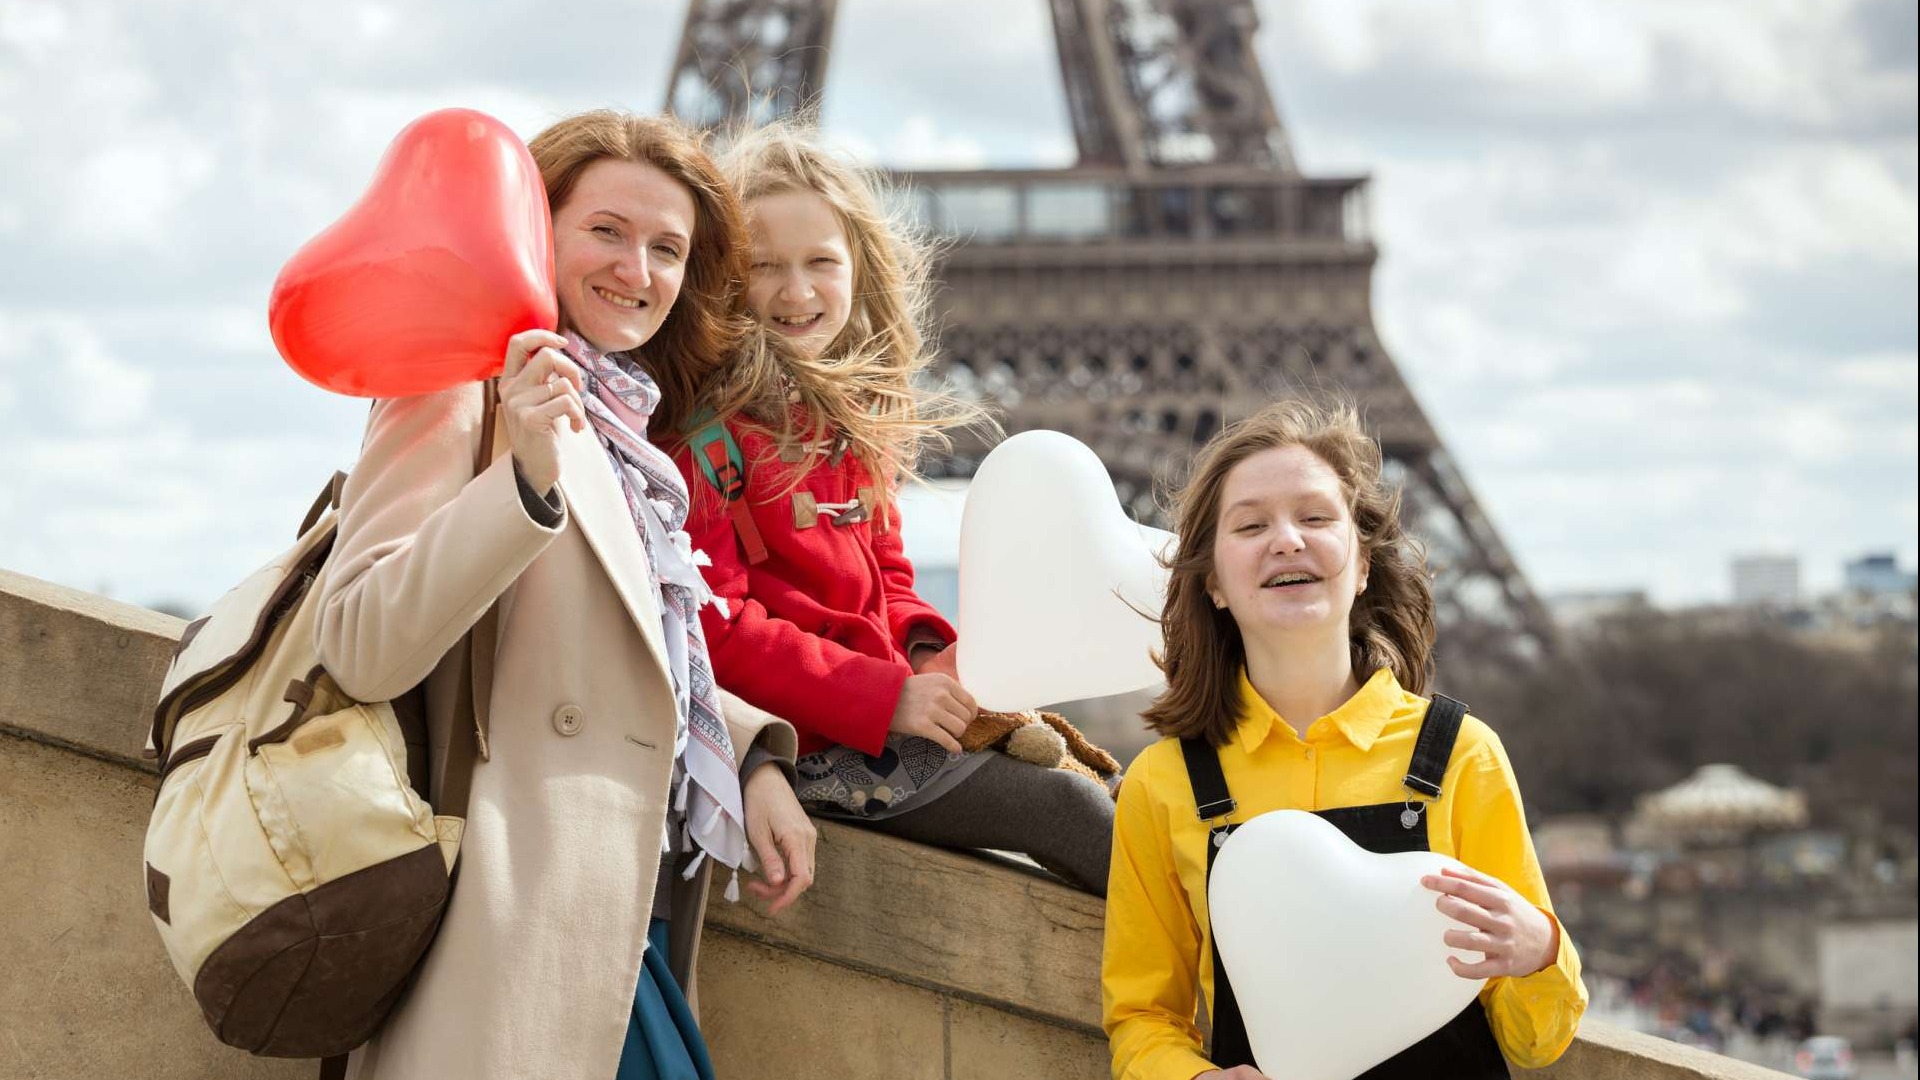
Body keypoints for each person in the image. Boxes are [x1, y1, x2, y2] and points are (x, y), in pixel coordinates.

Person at [315, 110, 817, 1080]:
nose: (638, 271)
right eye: (606, 232)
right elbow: (363, 640)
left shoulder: (629, 441)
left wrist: (752, 760)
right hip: (503, 929)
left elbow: (629, 660)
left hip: (626, 928)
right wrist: (523, 481)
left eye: (668, 248)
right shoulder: (461, 388)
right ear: (533, 229)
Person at [671, 119, 1115, 894]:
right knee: (1070, 807)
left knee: (1118, 790)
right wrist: (888, 695)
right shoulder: (705, 443)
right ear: (724, 278)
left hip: (883, 715)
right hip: (811, 745)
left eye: (819, 263)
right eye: (764, 266)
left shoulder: (850, 429)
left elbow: (891, 577)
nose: (796, 290)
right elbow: (720, 633)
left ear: (858, 270)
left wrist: (928, 658)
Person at [1101, 399, 1587, 1079]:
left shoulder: (1463, 756)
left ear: (1361, 565)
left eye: (1315, 517)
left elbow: (1533, 1041)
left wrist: (1541, 949)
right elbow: (1142, 1017)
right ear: (1212, 581)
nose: (1287, 539)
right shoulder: (1164, 784)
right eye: (1250, 524)